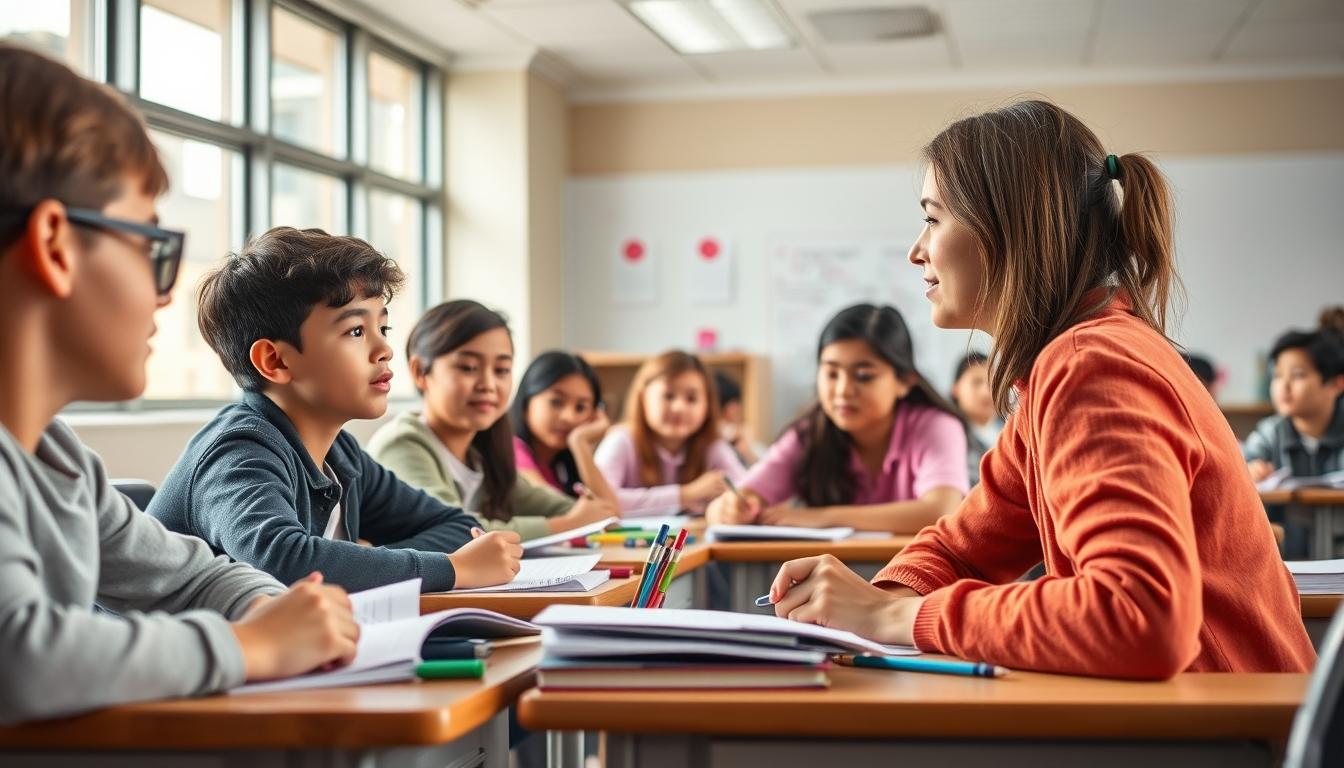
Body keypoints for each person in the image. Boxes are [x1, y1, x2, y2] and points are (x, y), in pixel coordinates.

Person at [765, 99, 1314, 678]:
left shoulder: (1091, 365)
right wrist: (872, 600)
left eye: (932, 218)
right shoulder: (1067, 362)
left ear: (1008, 227)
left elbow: (1139, 615)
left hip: (1235, 731)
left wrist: (902, 617)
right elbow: (963, 544)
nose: (916, 250)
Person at [0, 44, 357, 724]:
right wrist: (246, 645)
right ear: (53, 245)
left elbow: (193, 575)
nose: (164, 297)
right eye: (152, 250)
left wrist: (267, 608)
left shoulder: (59, 456)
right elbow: (20, 659)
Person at [148, 228, 522, 592]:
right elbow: (282, 562)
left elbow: (456, 524)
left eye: (384, 328)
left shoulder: (341, 455)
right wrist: (451, 569)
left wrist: (358, 567)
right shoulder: (240, 450)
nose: (384, 350)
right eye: (356, 331)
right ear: (275, 360)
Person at [706, 304, 967, 532]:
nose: (842, 390)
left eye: (864, 376)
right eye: (831, 374)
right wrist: (729, 509)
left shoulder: (937, 427)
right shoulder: (808, 435)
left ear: (904, 382)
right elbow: (736, 500)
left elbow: (940, 509)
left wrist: (824, 517)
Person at [368, 301, 618, 539]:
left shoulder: (483, 456)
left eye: (501, 370)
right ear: (420, 372)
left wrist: (585, 514)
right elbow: (454, 531)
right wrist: (568, 525)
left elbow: (597, 513)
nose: (488, 385)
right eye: (468, 367)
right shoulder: (402, 444)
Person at [595, 351, 746, 516]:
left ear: (707, 405)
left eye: (691, 398)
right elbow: (600, 500)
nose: (679, 408)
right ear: (643, 397)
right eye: (668, 396)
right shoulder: (621, 440)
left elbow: (747, 492)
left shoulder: (713, 446)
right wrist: (684, 495)